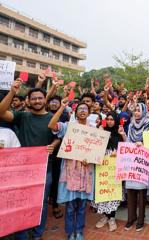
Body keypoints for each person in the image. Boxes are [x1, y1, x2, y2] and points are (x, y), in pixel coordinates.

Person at [0, 79, 58, 240]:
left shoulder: (52, 118)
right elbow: (1, 112)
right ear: (29, 101)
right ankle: (22, 232)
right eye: (34, 98)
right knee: (21, 201)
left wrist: (53, 144)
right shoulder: (22, 116)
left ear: (45, 100)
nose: (37, 101)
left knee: (42, 202)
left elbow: (60, 136)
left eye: (40, 98)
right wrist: (12, 92)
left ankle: (38, 232)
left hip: (45, 169)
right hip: (20, 169)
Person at [48, 101, 95, 240]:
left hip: (86, 169)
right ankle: (70, 232)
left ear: (89, 112)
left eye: (85, 108)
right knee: (70, 206)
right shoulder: (68, 127)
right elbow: (51, 125)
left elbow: (96, 151)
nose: (82, 111)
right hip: (70, 169)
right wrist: (62, 106)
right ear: (75, 112)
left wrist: (91, 158)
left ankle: (79, 231)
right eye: (79, 109)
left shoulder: (93, 129)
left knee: (81, 205)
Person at [93, 112, 127, 232]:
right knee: (102, 190)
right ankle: (104, 217)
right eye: (107, 119)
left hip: (115, 165)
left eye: (112, 119)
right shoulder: (101, 131)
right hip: (102, 165)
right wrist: (100, 133)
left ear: (116, 120)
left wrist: (122, 136)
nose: (109, 121)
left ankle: (112, 218)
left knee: (113, 191)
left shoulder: (120, 132)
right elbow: (94, 146)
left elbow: (126, 147)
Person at [125, 102, 149, 232]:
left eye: (139, 110)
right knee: (130, 191)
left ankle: (140, 220)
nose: (136, 112)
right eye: (135, 110)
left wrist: (144, 143)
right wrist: (124, 136)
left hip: (142, 162)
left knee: (141, 192)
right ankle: (131, 218)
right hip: (131, 160)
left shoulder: (148, 125)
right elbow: (128, 141)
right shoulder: (130, 125)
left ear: (144, 112)